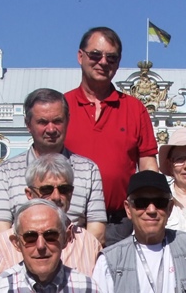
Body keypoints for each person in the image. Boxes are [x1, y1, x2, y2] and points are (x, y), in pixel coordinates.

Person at [64, 27, 158, 244]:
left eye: (111, 57)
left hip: (118, 224)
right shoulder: (62, 107)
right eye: (95, 55)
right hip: (69, 220)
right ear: (80, 56)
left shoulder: (135, 109)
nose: (103, 62)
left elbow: (148, 166)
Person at [0, 88, 106, 244]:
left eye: (57, 121)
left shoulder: (88, 170)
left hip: (76, 263)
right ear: (28, 124)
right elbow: (0, 236)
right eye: (42, 122)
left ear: (67, 120)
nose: (51, 129)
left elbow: (96, 234)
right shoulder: (6, 172)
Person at [0, 154, 102, 279]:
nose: (56, 197)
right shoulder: (4, 245)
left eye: (64, 189)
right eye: (46, 190)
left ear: (71, 193)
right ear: (29, 194)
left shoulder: (89, 244)